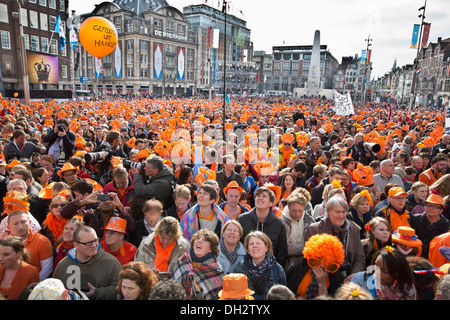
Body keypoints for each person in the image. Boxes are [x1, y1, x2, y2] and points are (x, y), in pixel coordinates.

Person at [52, 225, 122, 300]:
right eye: (88, 243)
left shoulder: (111, 263)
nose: (94, 245)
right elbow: (54, 291)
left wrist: (96, 293)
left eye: (96, 241)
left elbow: (119, 289)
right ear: (76, 245)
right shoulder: (63, 265)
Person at [305, 195, 366, 276]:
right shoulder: (315, 229)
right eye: (337, 212)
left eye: (343, 212)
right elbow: (310, 258)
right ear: (328, 212)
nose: (341, 216)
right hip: (324, 277)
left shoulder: (353, 229)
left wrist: (353, 275)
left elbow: (359, 256)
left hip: (348, 276)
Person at [237, 186, 288, 267]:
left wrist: (274, 269)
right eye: (258, 196)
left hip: (270, 269)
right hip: (245, 267)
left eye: (264, 196)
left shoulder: (278, 224)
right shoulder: (242, 220)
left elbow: (282, 252)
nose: (260, 198)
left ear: (271, 203)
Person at [286, 233, 345, 300]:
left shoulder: (336, 277)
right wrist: (297, 297)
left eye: (327, 262)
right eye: (318, 259)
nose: (322, 265)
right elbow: (287, 289)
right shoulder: (298, 266)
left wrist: (322, 283)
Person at [346, 246, 417, 300]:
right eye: (376, 267)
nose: (377, 273)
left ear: (397, 273)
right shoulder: (359, 281)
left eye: (384, 271)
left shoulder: (407, 288)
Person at [172, 228, 224, 300]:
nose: (199, 241)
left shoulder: (215, 269)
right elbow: (172, 290)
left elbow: (216, 297)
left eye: (205, 240)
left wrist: (197, 290)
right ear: (193, 244)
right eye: (198, 238)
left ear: (211, 249)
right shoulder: (181, 262)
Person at [234, 231, 287, 300]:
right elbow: (234, 294)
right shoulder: (240, 268)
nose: (255, 246)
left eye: (258, 243)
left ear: (266, 247)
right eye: (251, 244)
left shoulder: (277, 269)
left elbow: (283, 296)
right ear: (248, 249)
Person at [7, 210, 53, 281]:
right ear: (8, 227)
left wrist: (32, 285)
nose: (20, 226)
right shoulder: (5, 242)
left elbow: (47, 269)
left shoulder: (42, 241)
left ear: (30, 223)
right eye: (15, 224)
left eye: (23, 222)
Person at [279, 192, 315, 268]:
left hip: (306, 265)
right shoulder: (281, 222)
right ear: (288, 206)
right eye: (294, 211)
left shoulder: (310, 221)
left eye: (300, 211)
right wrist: (308, 248)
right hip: (287, 266)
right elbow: (287, 249)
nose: (297, 214)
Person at [410, 194, 450, 258]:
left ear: (441, 210)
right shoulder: (415, 219)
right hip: (415, 255)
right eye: (429, 205)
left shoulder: (446, 225)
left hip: (435, 257)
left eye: (435, 207)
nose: (431, 208)